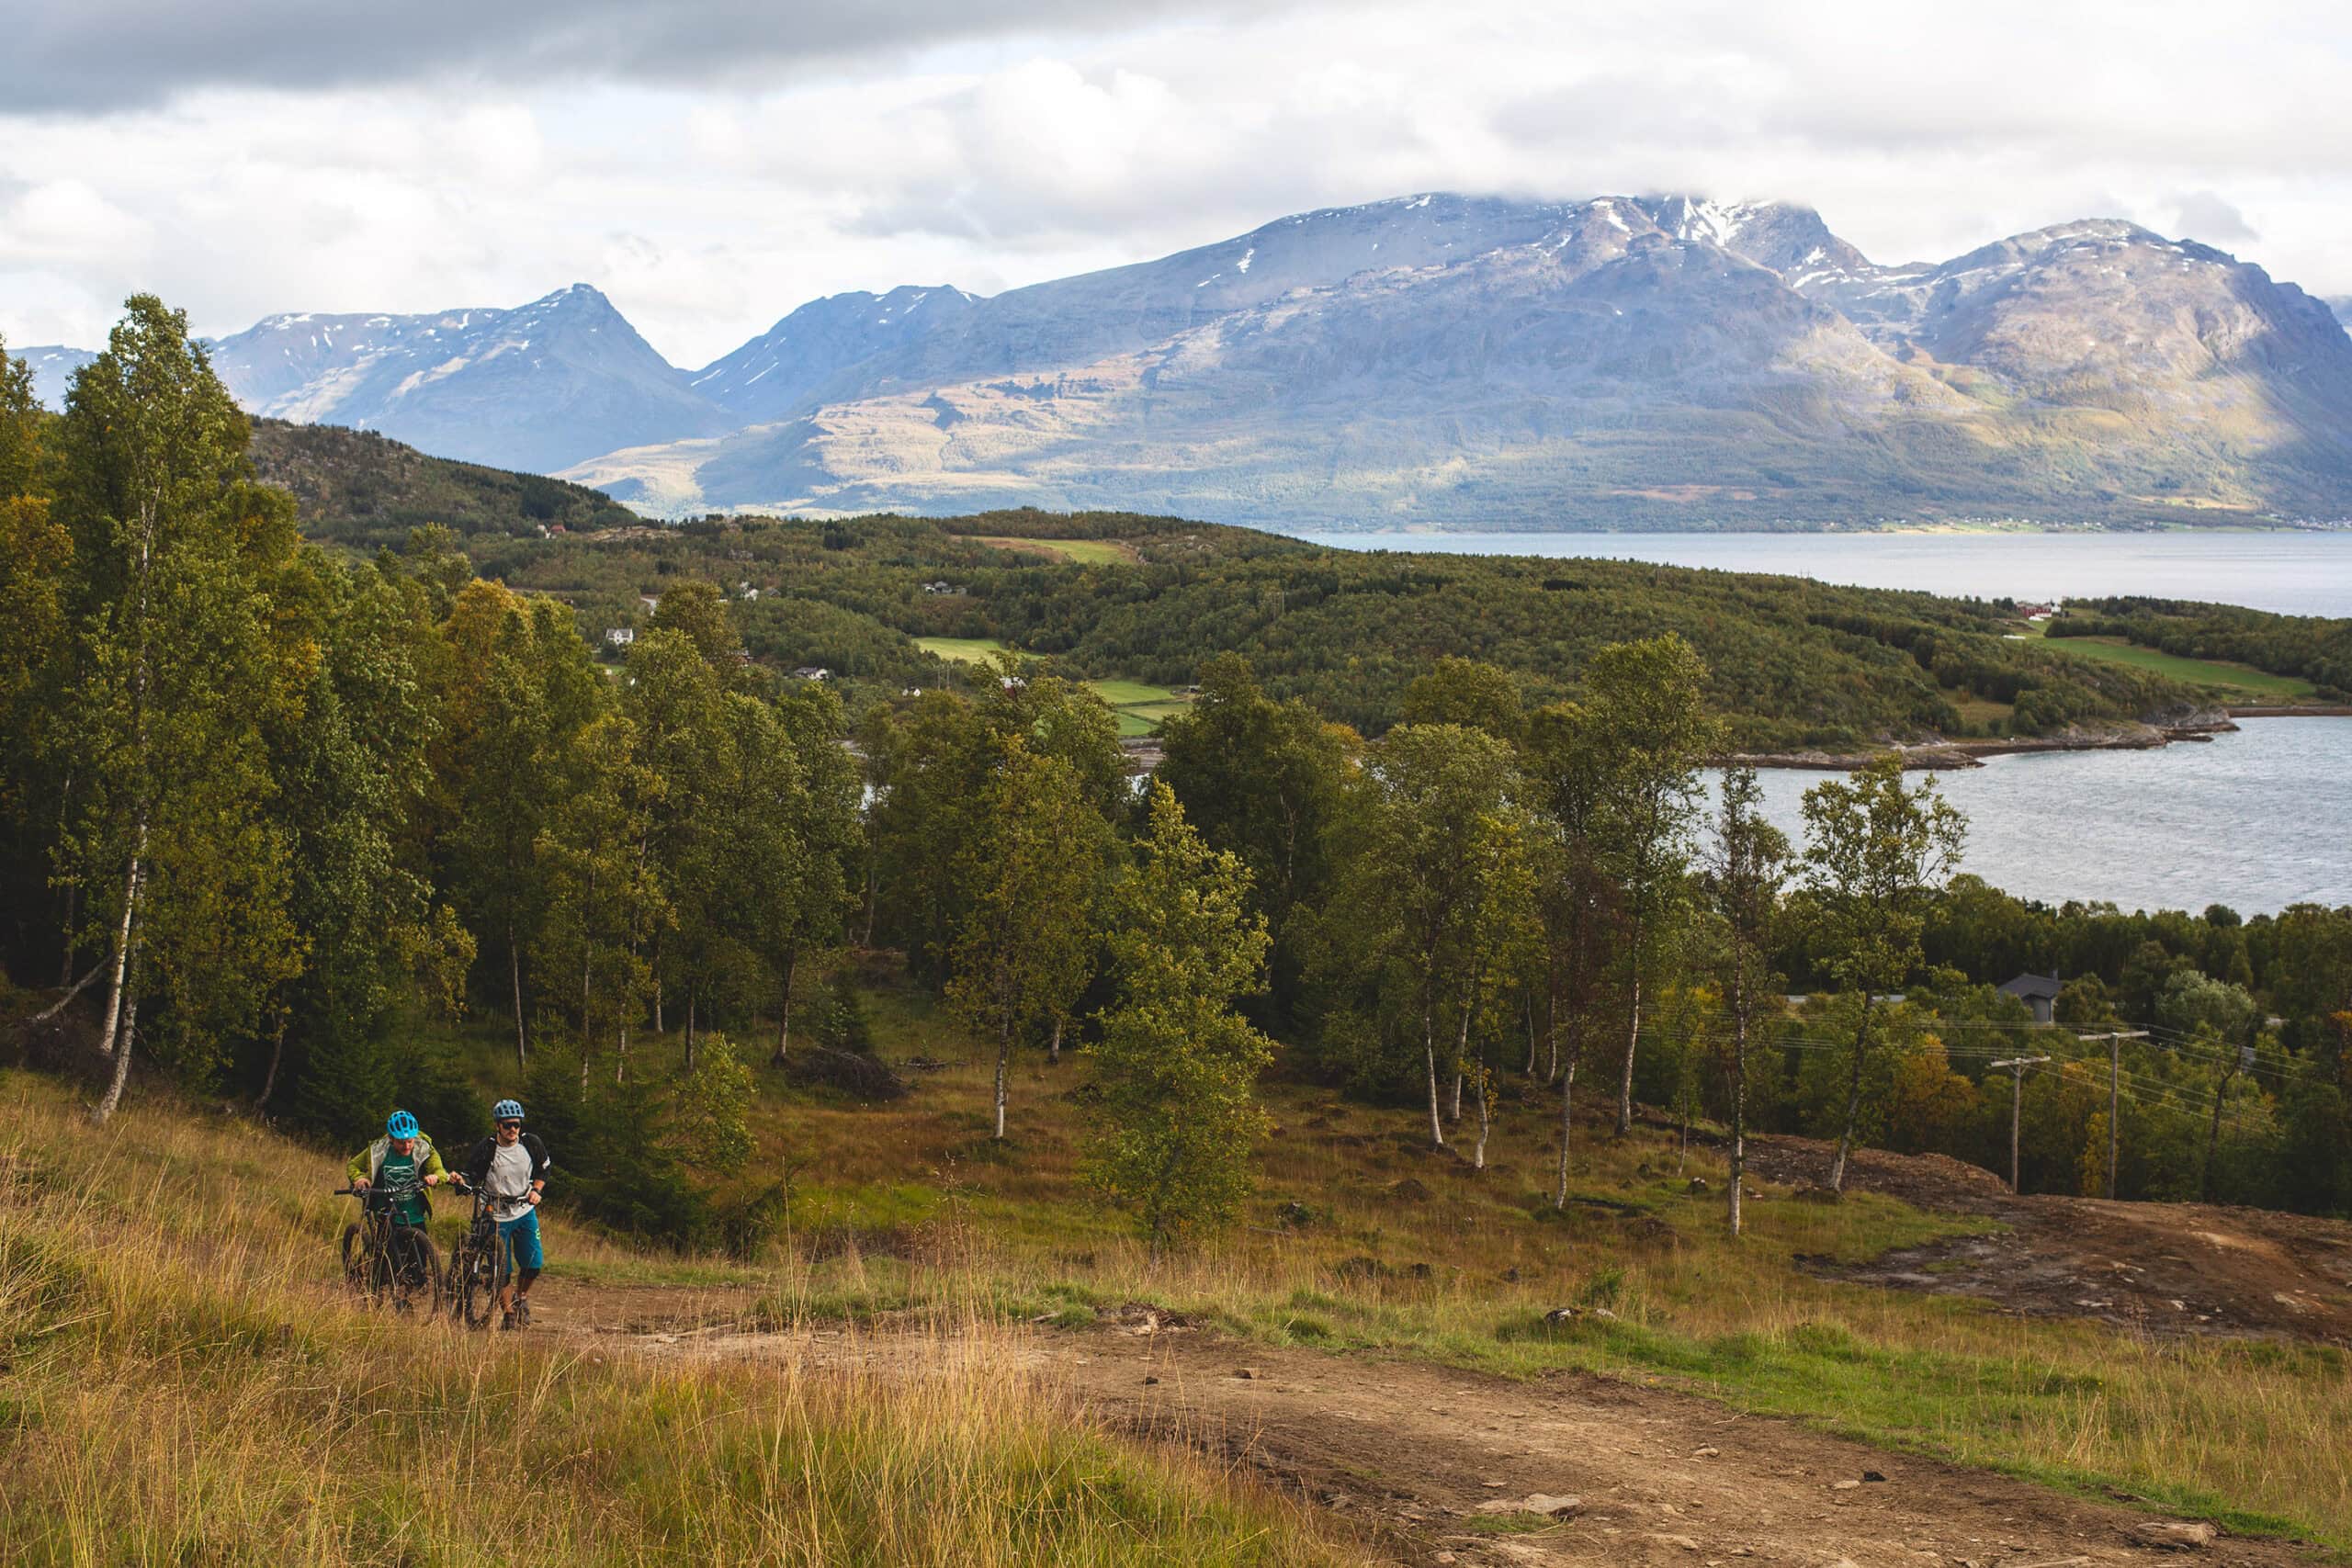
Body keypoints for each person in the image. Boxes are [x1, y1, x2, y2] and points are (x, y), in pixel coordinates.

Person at [457, 1099, 549, 1329]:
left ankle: (521, 1298)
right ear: (497, 1125)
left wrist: (537, 1189)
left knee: (533, 1264)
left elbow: (544, 1168)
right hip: (495, 1214)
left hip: (524, 1209)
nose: (512, 1130)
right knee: (502, 1270)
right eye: (507, 1125)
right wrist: (461, 1180)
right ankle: (508, 1314)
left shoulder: (531, 1144)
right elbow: (471, 1175)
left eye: (516, 1125)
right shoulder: (487, 1148)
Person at [346, 1110, 451, 1289]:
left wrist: (435, 1177)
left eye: (410, 1141)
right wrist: (359, 1179)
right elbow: (353, 1165)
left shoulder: (424, 1148)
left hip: (414, 1213)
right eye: (402, 1142)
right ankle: (374, 1294)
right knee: (383, 1266)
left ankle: (406, 1296)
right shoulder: (377, 1149)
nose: (407, 1146)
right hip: (385, 1210)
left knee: (418, 1268)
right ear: (390, 1138)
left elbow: (441, 1170)